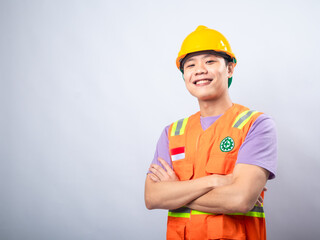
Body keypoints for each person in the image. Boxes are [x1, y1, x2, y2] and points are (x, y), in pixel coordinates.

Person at [144, 25, 277, 240]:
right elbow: (151, 198)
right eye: (190, 65)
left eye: (210, 61)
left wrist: (174, 192)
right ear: (184, 74)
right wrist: (213, 181)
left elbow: (241, 199)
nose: (199, 70)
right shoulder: (172, 133)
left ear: (230, 69)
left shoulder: (255, 125)